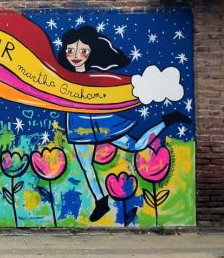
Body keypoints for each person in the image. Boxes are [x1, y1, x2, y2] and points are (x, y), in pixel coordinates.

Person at [58, 26, 190, 222]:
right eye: (70, 50)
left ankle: (166, 121)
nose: (76, 55)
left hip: (104, 122)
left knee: (135, 146)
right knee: (86, 166)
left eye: (82, 51)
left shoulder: (98, 78)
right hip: (79, 126)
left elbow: (110, 94)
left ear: (90, 52)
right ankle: (101, 201)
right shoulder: (62, 78)